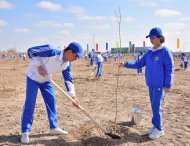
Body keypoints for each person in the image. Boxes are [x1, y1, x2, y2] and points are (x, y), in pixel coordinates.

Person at [21, 42, 84, 144]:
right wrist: (39, 66)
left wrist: (73, 97)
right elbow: (31, 51)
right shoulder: (51, 50)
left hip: (46, 80)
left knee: (51, 100)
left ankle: (53, 127)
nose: (76, 59)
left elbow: (68, 80)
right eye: (75, 56)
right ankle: (25, 131)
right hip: (33, 77)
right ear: (69, 52)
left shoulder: (67, 64)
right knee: (30, 103)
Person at [119, 27, 174, 139]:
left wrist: (168, 84)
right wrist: (125, 64)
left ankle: (159, 129)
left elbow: (169, 69)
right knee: (154, 106)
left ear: (159, 38)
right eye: (150, 38)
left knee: (157, 106)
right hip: (151, 84)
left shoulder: (165, 51)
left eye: (153, 38)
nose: (151, 40)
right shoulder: (149, 52)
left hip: (160, 85)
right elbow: (139, 64)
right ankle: (155, 126)